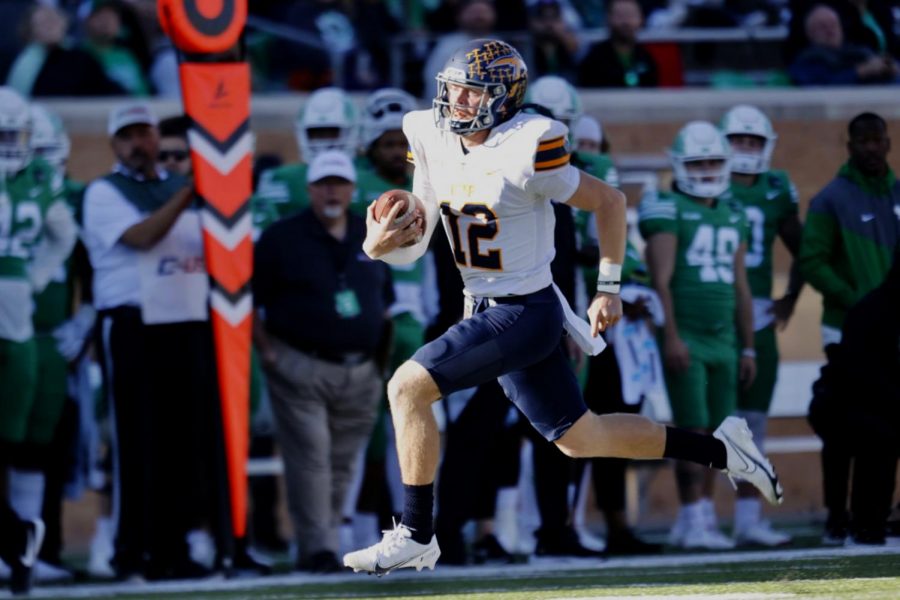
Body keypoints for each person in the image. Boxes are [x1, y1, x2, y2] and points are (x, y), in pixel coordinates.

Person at [342, 38, 783, 575]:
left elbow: (611, 202)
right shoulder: (429, 133)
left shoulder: (528, 144)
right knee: (583, 439)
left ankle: (416, 533)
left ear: (502, 99)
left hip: (525, 309)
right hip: (482, 305)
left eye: (469, 93)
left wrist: (609, 287)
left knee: (406, 387)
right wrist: (376, 243)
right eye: (451, 90)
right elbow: (418, 237)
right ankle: (723, 449)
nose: (454, 102)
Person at [83, 102, 219, 581]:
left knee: (183, 444)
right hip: (131, 325)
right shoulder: (105, 192)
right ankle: (129, 550)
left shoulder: (178, 188)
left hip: (182, 320)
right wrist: (190, 193)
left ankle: (172, 549)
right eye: (129, 136)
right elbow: (142, 237)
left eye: (145, 134)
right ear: (115, 145)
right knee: (135, 442)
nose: (139, 143)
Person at [253, 150, 394, 574]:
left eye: (339, 182)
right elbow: (249, 302)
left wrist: (378, 361)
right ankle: (320, 548)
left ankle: (323, 542)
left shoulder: (368, 233)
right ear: (310, 189)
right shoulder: (281, 238)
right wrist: (269, 351)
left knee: (343, 462)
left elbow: (383, 300)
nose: (331, 190)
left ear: (352, 189)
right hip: (300, 364)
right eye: (323, 183)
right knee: (311, 457)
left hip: (361, 368)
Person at [640, 121, 756, 550]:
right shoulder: (667, 207)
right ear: (679, 165)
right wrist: (670, 335)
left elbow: (742, 286)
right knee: (693, 429)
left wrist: (747, 345)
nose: (707, 169)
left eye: (713, 161)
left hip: (725, 337)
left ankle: (703, 515)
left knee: (721, 432)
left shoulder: (734, 212)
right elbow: (661, 281)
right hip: (686, 332)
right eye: (698, 162)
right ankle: (691, 516)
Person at [798, 112, 900, 543]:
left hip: (893, 335)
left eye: (879, 140)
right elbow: (812, 261)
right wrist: (860, 305)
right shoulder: (830, 199)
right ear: (850, 146)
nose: (872, 148)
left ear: (888, 144)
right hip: (845, 331)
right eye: (863, 141)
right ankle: (837, 515)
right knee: (845, 427)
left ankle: (878, 513)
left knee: (890, 422)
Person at [0, 87, 77, 594]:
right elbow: (62, 236)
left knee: (13, 447)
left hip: (14, 329)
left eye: (16, 136)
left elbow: (63, 238)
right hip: (19, 328)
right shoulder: (38, 184)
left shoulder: (35, 182)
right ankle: (19, 544)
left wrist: (35, 275)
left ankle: (17, 539)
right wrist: (34, 275)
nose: (12, 145)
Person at [720, 105, 803, 547]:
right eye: (737, 141)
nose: (745, 150)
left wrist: (791, 296)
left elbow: (804, 246)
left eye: (753, 142)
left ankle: (748, 517)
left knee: (752, 421)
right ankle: (695, 516)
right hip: (714, 316)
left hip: (760, 319)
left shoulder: (776, 189)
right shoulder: (706, 182)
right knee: (701, 420)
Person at [807, 246, 900, 545]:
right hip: (851, 402)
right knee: (878, 435)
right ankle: (862, 522)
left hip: (876, 399)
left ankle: (870, 520)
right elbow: (864, 376)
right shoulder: (874, 310)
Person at [252, 87, 358, 233]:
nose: (323, 142)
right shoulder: (281, 178)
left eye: (332, 132)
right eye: (317, 133)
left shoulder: (368, 177)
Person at [789, 5, 900, 85]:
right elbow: (822, 85)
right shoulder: (806, 61)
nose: (830, 30)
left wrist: (890, 67)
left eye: (833, 25)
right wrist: (861, 71)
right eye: (823, 26)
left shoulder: (859, 52)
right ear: (810, 33)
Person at [577, 0, 659, 88]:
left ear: (641, 19)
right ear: (608, 18)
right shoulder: (593, 59)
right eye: (620, 15)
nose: (626, 22)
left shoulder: (647, 58)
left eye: (631, 15)